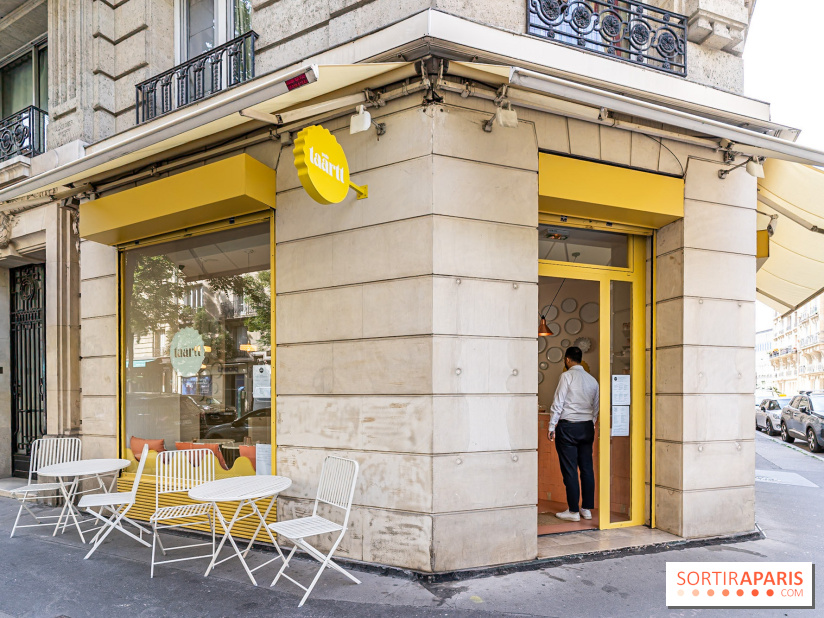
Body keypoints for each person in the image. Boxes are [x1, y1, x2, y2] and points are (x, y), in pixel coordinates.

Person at [548, 346, 599, 522]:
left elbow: (558, 402)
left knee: (570, 470)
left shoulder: (566, 376)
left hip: (568, 427)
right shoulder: (592, 380)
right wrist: (591, 424)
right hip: (586, 427)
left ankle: (573, 511)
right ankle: (586, 509)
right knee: (587, 468)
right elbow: (596, 407)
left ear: (567, 359)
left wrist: (552, 426)